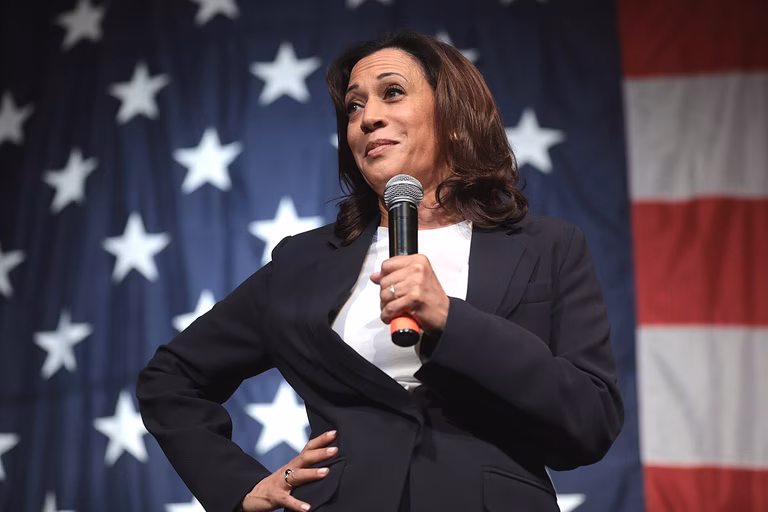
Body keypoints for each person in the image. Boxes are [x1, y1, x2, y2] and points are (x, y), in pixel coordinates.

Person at [136, 30, 624, 512]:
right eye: (353, 106)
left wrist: (452, 321)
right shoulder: (302, 263)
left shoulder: (548, 247)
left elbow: (591, 420)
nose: (367, 118)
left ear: (455, 119)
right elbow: (170, 378)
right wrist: (239, 486)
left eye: (392, 93)